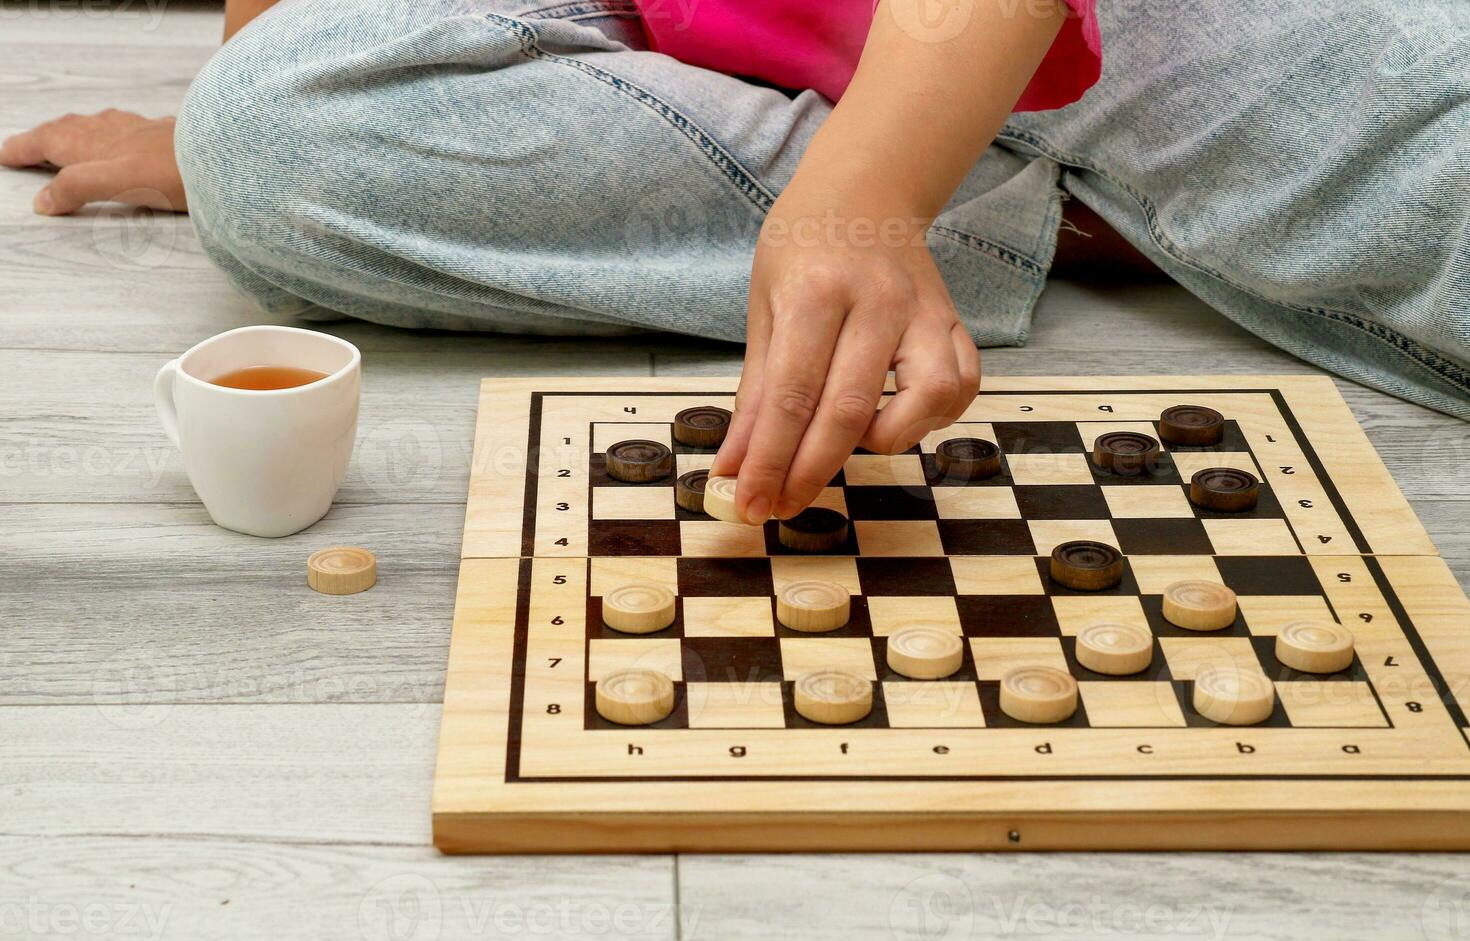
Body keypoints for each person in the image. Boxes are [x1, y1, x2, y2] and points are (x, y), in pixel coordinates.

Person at [4, 0, 1467, 523]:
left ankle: (941, 195)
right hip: (727, 38)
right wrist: (226, 141)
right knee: (269, 135)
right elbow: (283, 51)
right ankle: (994, 202)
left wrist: (864, 196)